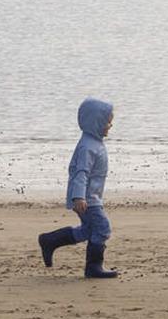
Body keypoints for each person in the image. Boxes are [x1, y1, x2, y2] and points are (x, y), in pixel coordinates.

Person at [37, 97, 118, 279]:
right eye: (108, 122)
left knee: (88, 231)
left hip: (91, 197)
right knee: (103, 228)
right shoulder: (88, 147)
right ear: (95, 122)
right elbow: (80, 174)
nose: (110, 126)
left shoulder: (94, 142)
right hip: (86, 200)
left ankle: (50, 240)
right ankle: (93, 268)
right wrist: (79, 197)